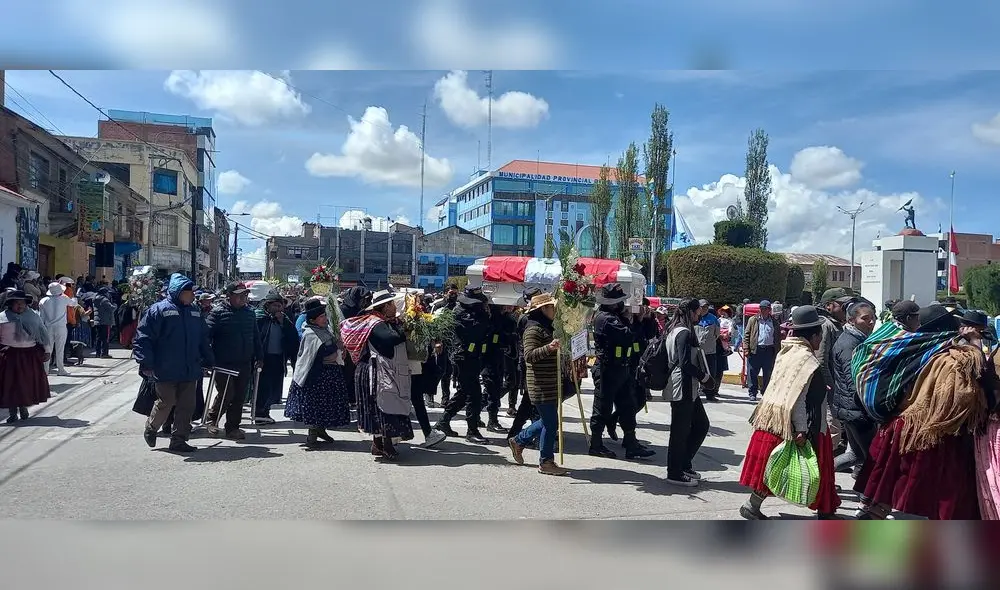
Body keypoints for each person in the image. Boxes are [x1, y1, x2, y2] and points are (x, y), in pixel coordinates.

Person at [855, 305, 989, 519]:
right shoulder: (951, 359)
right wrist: (975, 345)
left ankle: (874, 513)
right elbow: (960, 398)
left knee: (894, 484)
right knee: (946, 495)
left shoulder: (916, 350)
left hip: (905, 427)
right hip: (937, 433)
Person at [739, 306, 841, 520]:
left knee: (773, 468)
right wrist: (802, 430)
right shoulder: (807, 360)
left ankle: (752, 505)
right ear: (813, 335)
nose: (821, 339)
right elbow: (798, 399)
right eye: (820, 335)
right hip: (799, 424)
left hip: (773, 420)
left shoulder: (785, 353)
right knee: (817, 468)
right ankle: (825, 511)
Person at [133, 274, 215, 453]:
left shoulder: (194, 312)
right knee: (166, 401)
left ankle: (179, 440)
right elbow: (143, 337)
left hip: (190, 367)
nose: (193, 296)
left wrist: (208, 358)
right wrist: (146, 362)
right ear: (179, 292)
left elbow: (202, 338)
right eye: (189, 293)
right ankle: (151, 427)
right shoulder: (158, 310)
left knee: (187, 405)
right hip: (165, 368)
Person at [343, 290, 414, 460]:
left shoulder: (381, 321)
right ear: (384, 307)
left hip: (375, 370)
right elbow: (390, 340)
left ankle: (378, 444)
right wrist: (404, 330)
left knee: (379, 406)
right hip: (373, 372)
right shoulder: (375, 323)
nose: (394, 307)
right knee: (383, 406)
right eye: (391, 304)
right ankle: (385, 444)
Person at [507, 293, 570, 476]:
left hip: (550, 383)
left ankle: (519, 440)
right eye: (551, 307)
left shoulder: (547, 328)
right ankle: (545, 461)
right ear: (543, 309)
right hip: (540, 385)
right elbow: (529, 355)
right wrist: (549, 347)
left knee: (548, 421)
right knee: (551, 424)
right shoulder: (533, 329)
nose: (554, 310)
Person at [589, 283, 650, 460]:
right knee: (602, 407)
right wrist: (636, 321)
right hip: (608, 369)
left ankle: (631, 443)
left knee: (628, 405)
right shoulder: (606, 318)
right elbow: (628, 336)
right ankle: (596, 444)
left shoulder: (615, 316)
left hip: (622, 368)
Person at [284, 298, 351, 445]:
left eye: (325, 316)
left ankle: (321, 429)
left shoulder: (325, 331)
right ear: (313, 320)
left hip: (329, 373)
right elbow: (318, 351)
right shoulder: (310, 333)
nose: (325, 319)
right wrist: (335, 347)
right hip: (316, 376)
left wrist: (339, 346)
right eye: (322, 317)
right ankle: (313, 433)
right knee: (315, 406)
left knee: (326, 405)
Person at [662, 298, 713, 487]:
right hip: (681, 387)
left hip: (688, 388)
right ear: (690, 312)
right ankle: (674, 472)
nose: (700, 314)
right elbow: (684, 363)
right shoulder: (682, 332)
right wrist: (704, 377)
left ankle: (684, 463)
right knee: (679, 431)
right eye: (698, 311)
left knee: (701, 425)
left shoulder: (676, 329)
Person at [433, 287, 493, 444]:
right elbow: (476, 331)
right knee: (474, 394)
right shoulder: (462, 313)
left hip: (473, 357)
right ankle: (472, 430)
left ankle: (443, 421)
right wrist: (486, 315)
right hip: (464, 357)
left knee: (464, 392)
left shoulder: (473, 311)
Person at [205, 282, 262, 440]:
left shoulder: (250, 313)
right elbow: (205, 337)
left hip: (244, 362)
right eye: (239, 294)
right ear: (229, 296)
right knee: (227, 393)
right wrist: (208, 359)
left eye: (245, 294)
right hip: (223, 363)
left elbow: (256, 337)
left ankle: (232, 427)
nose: (244, 297)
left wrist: (260, 356)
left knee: (239, 396)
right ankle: (212, 418)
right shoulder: (217, 313)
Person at [831, 301, 877, 490]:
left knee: (857, 455)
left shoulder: (856, 340)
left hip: (850, 409)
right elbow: (854, 382)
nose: (871, 322)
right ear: (851, 320)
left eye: (873, 318)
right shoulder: (850, 345)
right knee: (872, 458)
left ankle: (823, 478)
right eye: (865, 318)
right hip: (856, 411)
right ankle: (868, 501)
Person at [0, 290, 52, 423]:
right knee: (10, 384)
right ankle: (13, 413)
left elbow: (42, 333)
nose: (20, 306)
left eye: (22, 303)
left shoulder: (33, 316)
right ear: (10, 304)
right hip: (9, 355)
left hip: (29, 355)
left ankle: (23, 407)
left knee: (25, 384)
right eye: (17, 303)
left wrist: (47, 350)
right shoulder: (2, 318)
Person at [255, 291, 300, 425]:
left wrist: (282, 323)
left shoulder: (285, 320)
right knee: (262, 387)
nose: (278, 309)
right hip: (263, 358)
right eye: (275, 306)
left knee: (273, 387)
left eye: (280, 306)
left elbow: (292, 339)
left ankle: (266, 411)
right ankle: (259, 412)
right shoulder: (260, 318)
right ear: (268, 306)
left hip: (278, 358)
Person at [339, 286, 372, 409]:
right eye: (363, 299)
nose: (365, 302)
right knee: (347, 374)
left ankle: (354, 398)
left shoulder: (364, 311)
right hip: (347, 349)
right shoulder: (343, 310)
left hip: (362, 348)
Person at [743, 300, 780, 402]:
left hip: (769, 350)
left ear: (769, 310)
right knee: (752, 372)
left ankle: (765, 392)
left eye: (767, 309)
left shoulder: (774, 321)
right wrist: (746, 348)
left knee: (768, 373)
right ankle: (752, 393)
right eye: (762, 309)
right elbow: (746, 334)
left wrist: (778, 351)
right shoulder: (753, 320)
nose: (764, 311)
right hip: (756, 350)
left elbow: (777, 337)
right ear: (760, 309)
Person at [39, 281, 73, 376]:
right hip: (61, 327)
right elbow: (73, 303)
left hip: (48, 327)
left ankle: (45, 370)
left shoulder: (43, 301)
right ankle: (60, 369)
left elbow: (42, 317)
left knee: (47, 349)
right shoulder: (64, 298)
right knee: (60, 349)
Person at [695, 299, 721, 402]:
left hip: (710, 351)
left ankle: (710, 394)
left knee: (711, 373)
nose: (704, 308)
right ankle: (696, 393)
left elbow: (717, 334)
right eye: (702, 307)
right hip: (697, 351)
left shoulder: (714, 319)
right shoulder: (695, 318)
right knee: (696, 372)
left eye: (706, 307)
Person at [92, 287, 117, 359]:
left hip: (98, 321)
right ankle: (104, 353)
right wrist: (115, 305)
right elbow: (111, 308)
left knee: (98, 338)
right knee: (105, 338)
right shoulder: (104, 300)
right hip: (105, 321)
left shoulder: (95, 299)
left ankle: (98, 353)